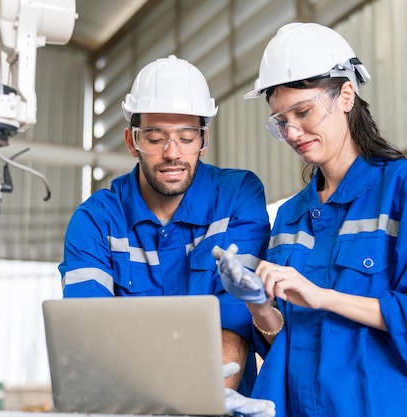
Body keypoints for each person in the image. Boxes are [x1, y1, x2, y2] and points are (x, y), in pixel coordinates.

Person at [217, 22, 407, 417]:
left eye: (303, 112)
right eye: (280, 121)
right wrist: (259, 306)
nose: (292, 132)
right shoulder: (291, 216)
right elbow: (290, 345)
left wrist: (323, 297)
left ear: (345, 94)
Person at [58, 55, 274, 415]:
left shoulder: (238, 196)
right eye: (155, 138)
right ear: (132, 141)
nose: (172, 153)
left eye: (186, 138)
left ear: (203, 140)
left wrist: (204, 401)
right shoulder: (95, 221)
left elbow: (233, 319)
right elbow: (89, 338)